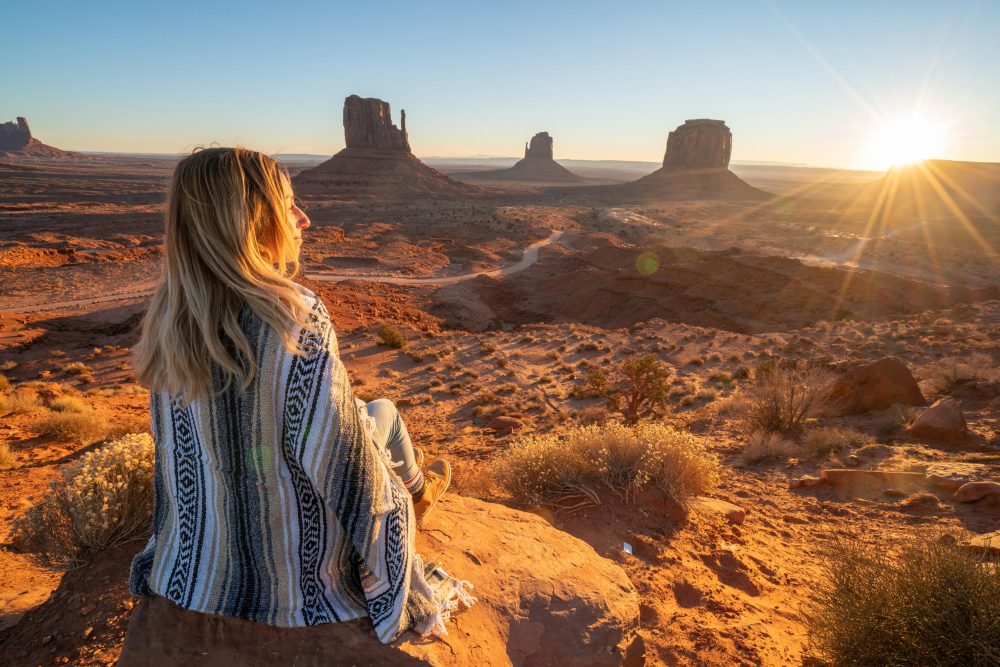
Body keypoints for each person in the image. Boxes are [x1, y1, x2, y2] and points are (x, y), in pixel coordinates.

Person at [120, 147, 472, 662]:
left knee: (369, 412)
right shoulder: (294, 314)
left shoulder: (169, 317)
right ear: (249, 220)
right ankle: (418, 492)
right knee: (384, 413)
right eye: (289, 205)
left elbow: (180, 456)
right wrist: (395, 556)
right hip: (295, 577)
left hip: (198, 564)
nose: (304, 218)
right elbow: (348, 471)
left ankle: (420, 487)